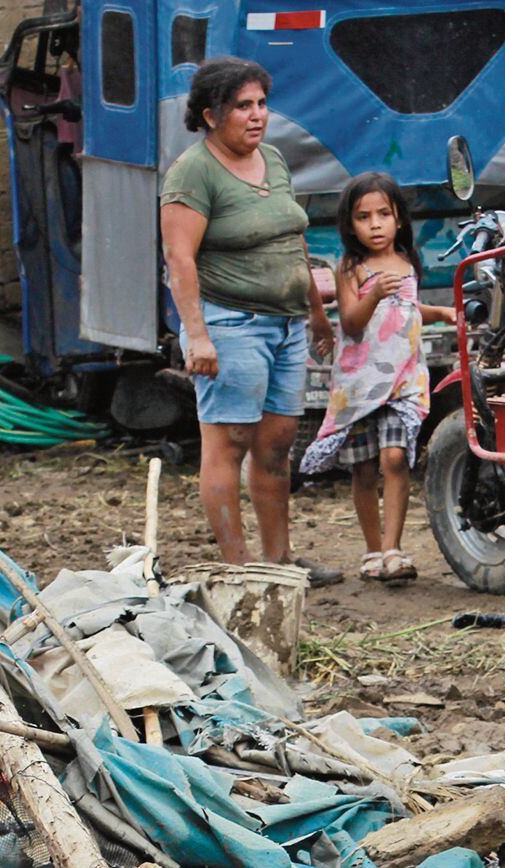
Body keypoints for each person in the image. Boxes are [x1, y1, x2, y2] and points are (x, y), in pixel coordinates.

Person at [159, 57, 341, 581]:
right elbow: (180, 260)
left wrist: (314, 312)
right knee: (229, 442)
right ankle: (237, 569)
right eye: (243, 106)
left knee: (278, 442)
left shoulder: (274, 160)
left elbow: (292, 236)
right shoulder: (193, 172)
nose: (257, 115)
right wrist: (197, 336)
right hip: (231, 324)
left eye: (262, 103)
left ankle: (279, 561)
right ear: (212, 115)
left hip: (286, 325)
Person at [298, 172, 455, 584]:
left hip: (402, 378)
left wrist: (442, 314)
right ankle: (371, 551)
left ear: (399, 218)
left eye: (384, 214)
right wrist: (372, 294)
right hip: (361, 383)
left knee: (396, 457)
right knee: (364, 468)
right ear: (350, 226)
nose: (376, 224)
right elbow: (350, 324)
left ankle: (393, 549)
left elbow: (408, 310)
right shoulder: (350, 268)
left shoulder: (406, 262)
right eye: (364, 217)